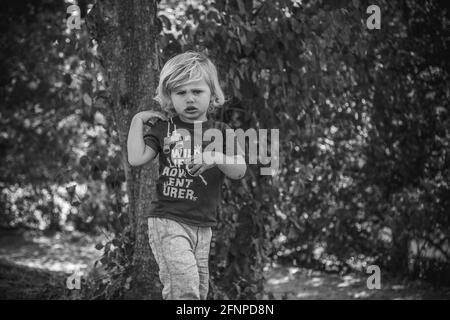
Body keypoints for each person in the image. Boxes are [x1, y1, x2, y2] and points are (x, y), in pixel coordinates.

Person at [127, 51, 247, 300]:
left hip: (203, 224)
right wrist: (137, 121)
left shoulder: (221, 132)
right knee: (184, 289)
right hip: (169, 220)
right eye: (181, 92)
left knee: (199, 290)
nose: (189, 98)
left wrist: (215, 157)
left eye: (197, 91)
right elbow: (136, 158)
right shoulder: (165, 128)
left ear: (212, 94)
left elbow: (239, 170)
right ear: (169, 97)